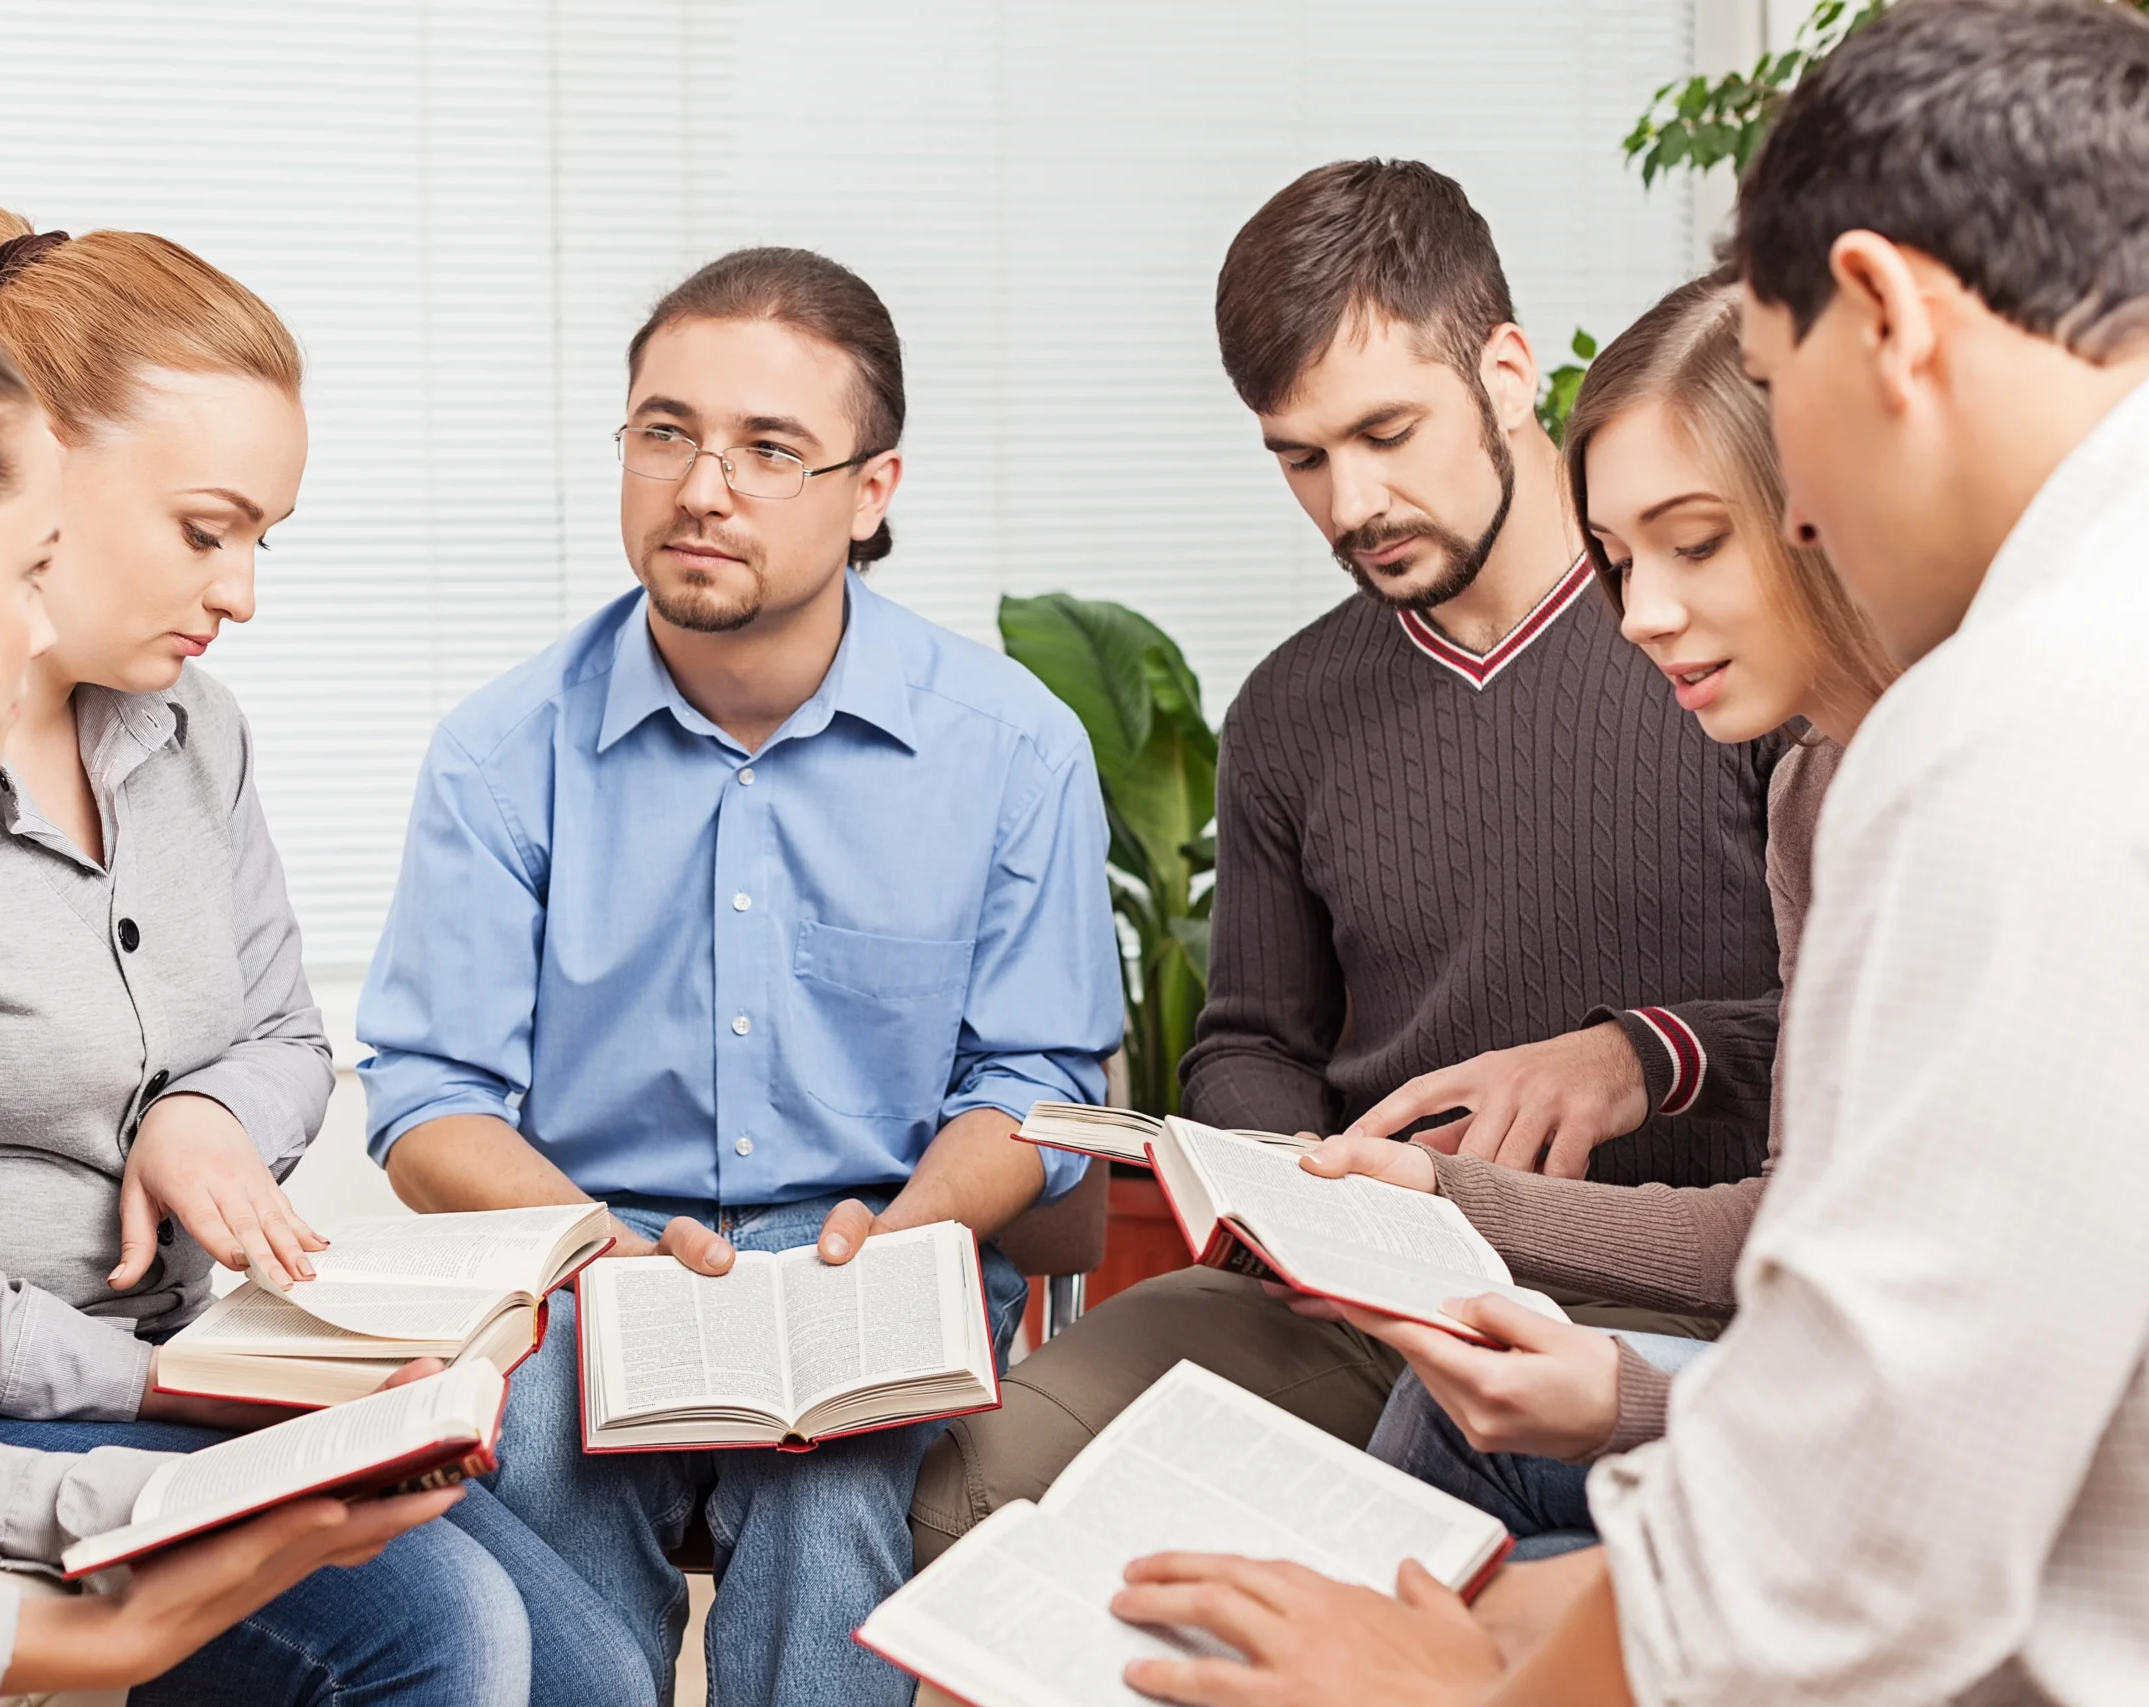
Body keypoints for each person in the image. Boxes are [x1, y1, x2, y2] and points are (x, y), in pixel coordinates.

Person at [1106, 3, 2149, 1702]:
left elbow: (1852, 1540)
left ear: (1878, 315)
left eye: (1775, 430)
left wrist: (1461, 1685)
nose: (1802, 512)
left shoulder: (2004, 735)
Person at [0, 202, 643, 1707]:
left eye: (263, 538)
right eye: (208, 529)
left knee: (607, 1672)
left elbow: (287, 1037)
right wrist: (142, 1408)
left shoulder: (190, 735)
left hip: (194, 1364)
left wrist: (209, 1114)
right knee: (450, 1634)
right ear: (33, 458)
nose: (241, 590)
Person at [913, 159, 1782, 1565]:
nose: (1351, 500)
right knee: (988, 1468)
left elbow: (1867, 1055)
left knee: (1405, 1529)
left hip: (1655, 1284)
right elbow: (1256, 1033)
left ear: (1507, 373)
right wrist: (1276, 1186)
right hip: (1358, 1295)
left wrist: (1641, 1052)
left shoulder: (1729, 640)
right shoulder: (1289, 711)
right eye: (1302, 455)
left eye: (1388, 431)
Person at [358, 245, 1124, 1707]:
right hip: (592, 1248)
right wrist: (597, 1246)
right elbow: (427, 1098)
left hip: (880, 1242)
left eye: (771, 449)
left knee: (839, 1486)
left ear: (872, 491)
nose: (701, 486)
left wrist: (891, 1244)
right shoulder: (499, 750)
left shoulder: (1012, 748)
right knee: (530, 1437)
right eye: (665, 432)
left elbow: (1034, 1086)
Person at [1297, 270, 1894, 1558]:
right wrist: (1417, 1191)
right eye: (1620, 562)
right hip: (1827, 1410)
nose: (1642, 617)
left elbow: (1962, 1397)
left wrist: (1638, 1403)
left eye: (1695, 543)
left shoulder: (1981, 794)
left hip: (1928, 1491)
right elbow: (1794, 1223)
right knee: (1446, 1434)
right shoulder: (1818, 787)